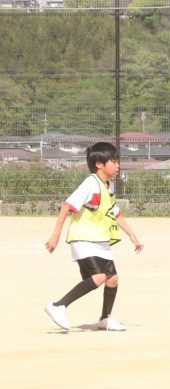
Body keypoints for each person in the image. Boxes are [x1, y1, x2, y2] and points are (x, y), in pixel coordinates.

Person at [44, 142, 143, 331]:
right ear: (99, 164)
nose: (118, 165)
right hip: (84, 239)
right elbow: (67, 206)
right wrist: (55, 235)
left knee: (112, 279)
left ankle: (105, 319)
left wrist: (132, 235)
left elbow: (115, 213)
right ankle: (58, 306)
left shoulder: (109, 186)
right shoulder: (91, 184)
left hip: (100, 241)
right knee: (99, 277)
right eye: (113, 161)